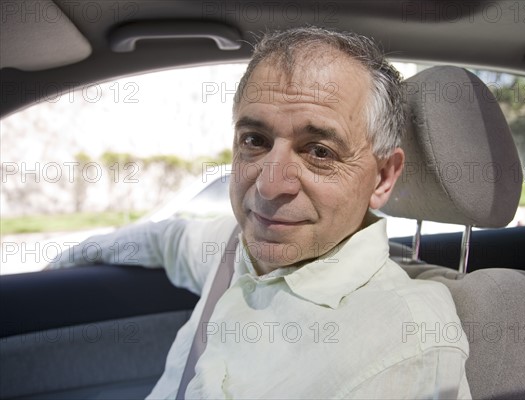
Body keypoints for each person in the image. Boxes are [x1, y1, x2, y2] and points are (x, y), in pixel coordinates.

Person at [48, 27, 471, 399]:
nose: (269, 185)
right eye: (255, 139)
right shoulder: (231, 245)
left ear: (382, 178)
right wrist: (61, 262)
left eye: (319, 151)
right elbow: (164, 239)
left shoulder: (408, 343)